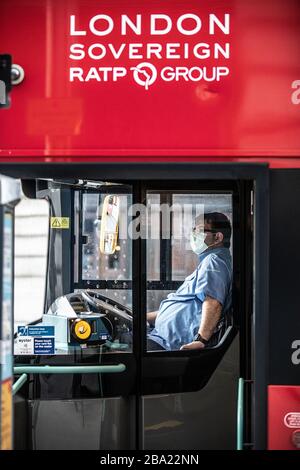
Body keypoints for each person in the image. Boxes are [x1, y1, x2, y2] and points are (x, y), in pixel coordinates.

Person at [147, 212, 232, 351]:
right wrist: (142, 317)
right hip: (160, 337)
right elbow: (187, 307)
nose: (193, 234)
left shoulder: (214, 262)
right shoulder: (209, 262)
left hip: (168, 344)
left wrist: (200, 340)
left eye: (198, 230)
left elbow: (213, 303)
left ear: (217, 237)